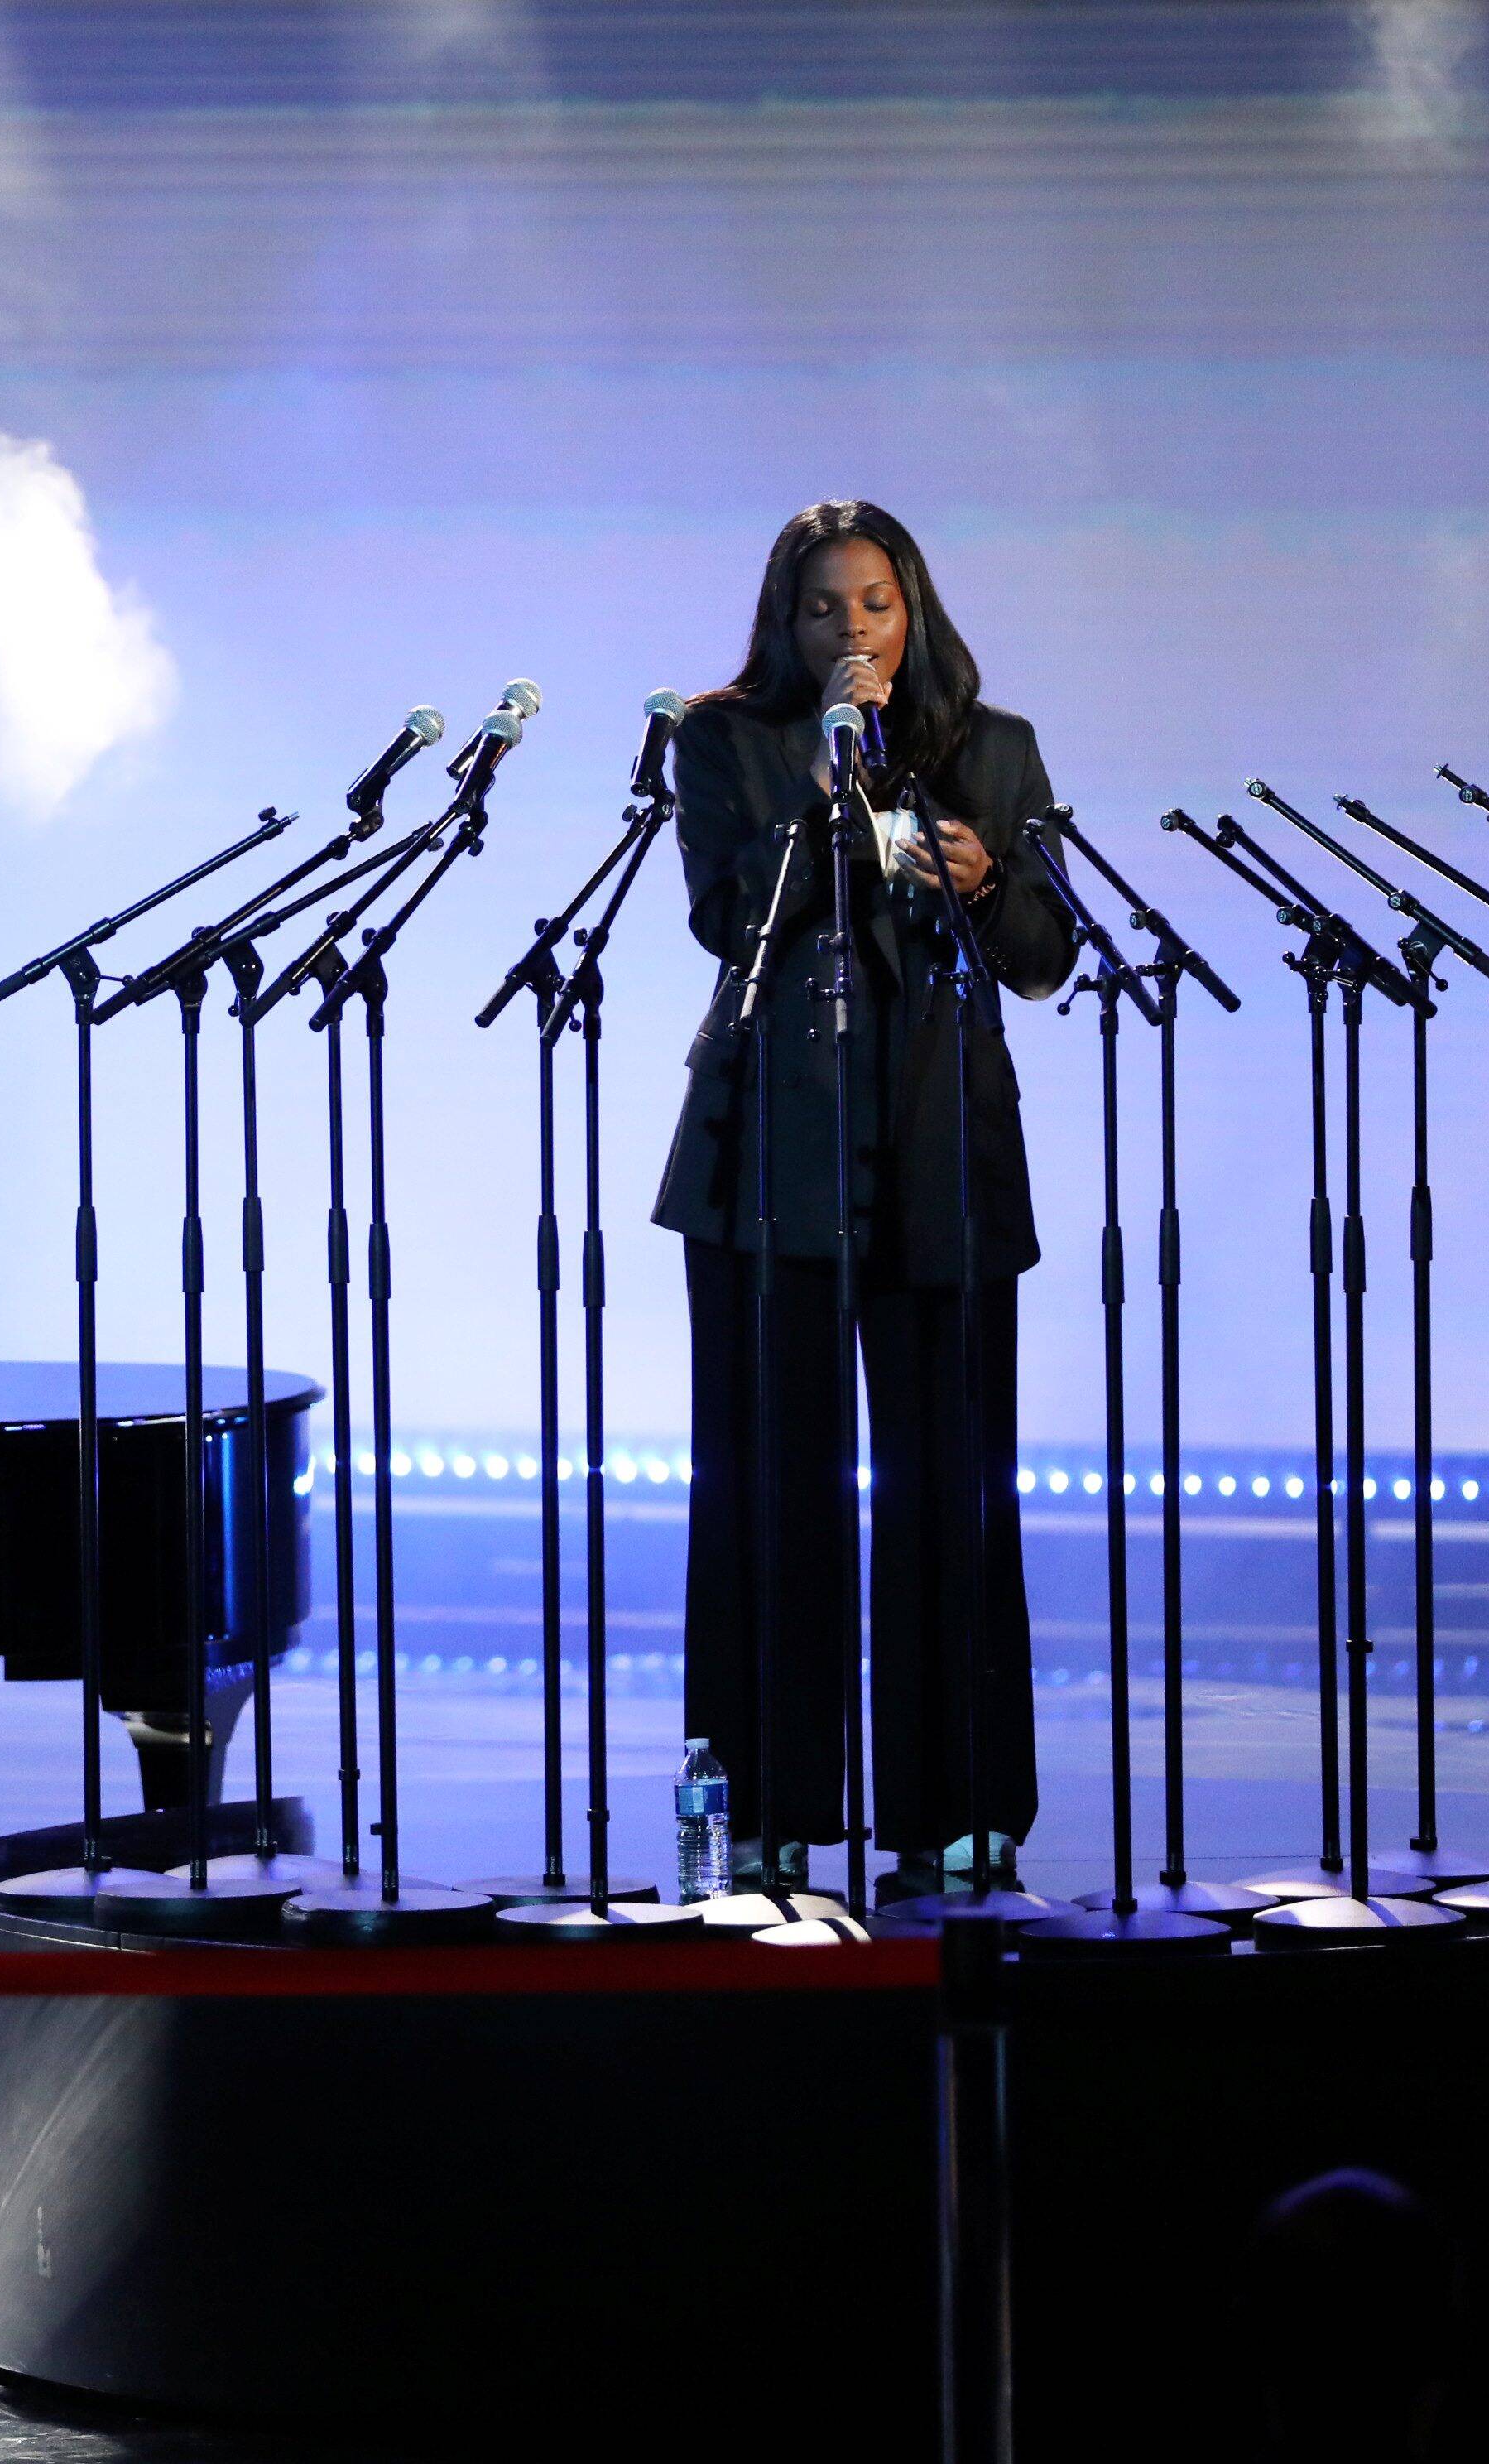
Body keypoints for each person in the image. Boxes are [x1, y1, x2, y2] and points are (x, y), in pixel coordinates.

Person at [652, 500, 1076, 1903]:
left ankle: (960, 1817)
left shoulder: (995, 747)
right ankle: (766, 1813)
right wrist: (834, 796)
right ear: (788, 622)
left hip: (941, 1148)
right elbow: (728, 916)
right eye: (825, 609)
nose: (854, 632)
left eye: (875, 605)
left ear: (916, 610)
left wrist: (990, 873)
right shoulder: (725, 740)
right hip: (772, 1154)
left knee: (951, 1492)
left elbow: (1045, 953)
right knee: (769, 1491)